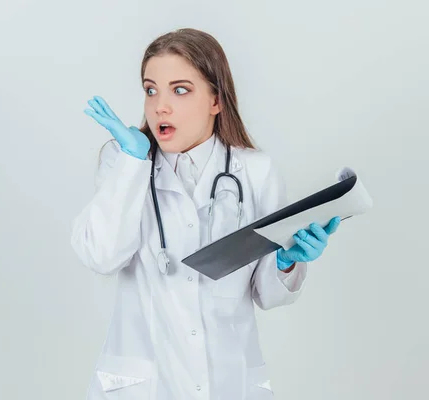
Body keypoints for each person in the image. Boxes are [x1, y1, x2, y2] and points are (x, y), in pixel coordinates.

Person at [71, 28, 341, 400]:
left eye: (180, 90)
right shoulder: (122, 163)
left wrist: (285, 263)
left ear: (216, 99)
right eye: (151, 90)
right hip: (142, 386)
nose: (159, 106)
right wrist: (133, 161)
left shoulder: (255, 171)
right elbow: (102, 256)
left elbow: (267, 295)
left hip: (229, 382)